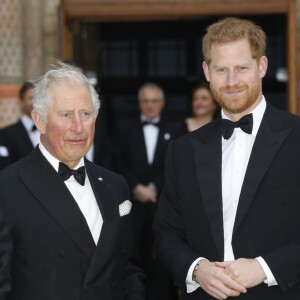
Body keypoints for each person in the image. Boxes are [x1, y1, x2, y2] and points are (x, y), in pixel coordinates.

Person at [153, 17, 300, 300]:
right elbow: (165, 236)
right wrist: (196, 270)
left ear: (262, 67)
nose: (231, 81)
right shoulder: (182, 150)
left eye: (241, 68)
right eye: (222, 69)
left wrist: (264, 267)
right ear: (207, 71)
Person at [0, 63, 145, 300]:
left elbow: (127, 268)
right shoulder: (7, 188)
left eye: (85, 114)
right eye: (66, 115)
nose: (78, 128)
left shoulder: (115, 185)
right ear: (40, 121)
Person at [114, 83, 179, 300]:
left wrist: (153, 188)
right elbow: (118, 162)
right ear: (140, 104)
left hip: (162, 208)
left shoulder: (175, 128)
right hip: (132, 207)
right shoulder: (125, 128)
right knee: (133, 257)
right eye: (146, 101)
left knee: (161, 260)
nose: (150, 106)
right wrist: (136, 187)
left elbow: (176, 165)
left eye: (154, 101)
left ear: (162, 103)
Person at [1, 81, 39, 165]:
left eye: (39, 98)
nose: (36, 102)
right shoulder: (4, 134)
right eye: (31, 98)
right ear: (21, 103)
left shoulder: (52, 131)